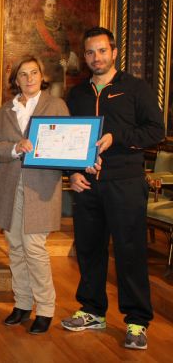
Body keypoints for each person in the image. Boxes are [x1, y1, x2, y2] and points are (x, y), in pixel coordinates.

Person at [61, 27, 164, 350]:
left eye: (102, 51)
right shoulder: (76, 95)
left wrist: (117, 138)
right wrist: (72, 172)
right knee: (89, 250)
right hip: (87, 185)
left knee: (129, 251)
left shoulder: (135, 88)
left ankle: (136, 320)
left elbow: (155, 130)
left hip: (126, 183)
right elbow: (65, 140)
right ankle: (92, 310)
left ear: (114, 51)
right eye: (90, 52)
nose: (96, 58)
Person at [0, 56, 69, 334]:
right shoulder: (6, 109)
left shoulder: (55, 105)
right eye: (23, 74)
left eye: (34, 73)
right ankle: (22, 304)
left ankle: (45, 308)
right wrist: (14, 147)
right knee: (16, 247)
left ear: (42, 75)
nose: (29, 78)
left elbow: (67, 142)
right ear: (16, 80)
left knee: (34, 247)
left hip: (41, 187)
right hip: (10, 185)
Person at [29, 0, 78, 98]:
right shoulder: (37, 27)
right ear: (43, 7)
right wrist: (38, 66)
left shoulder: (60, 27)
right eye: (49, 5)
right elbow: (33, 50)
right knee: (41, 103)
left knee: (56, 102)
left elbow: (67, 47)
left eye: (54, 6)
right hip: (42, 68)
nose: (52, 8)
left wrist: (65, 59)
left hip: (58, 68)